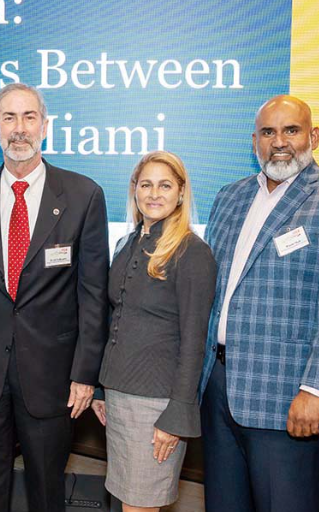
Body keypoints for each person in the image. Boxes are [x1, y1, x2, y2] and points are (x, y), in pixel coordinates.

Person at [198, 95, 319, 512]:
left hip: (290, 397)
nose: (279, 141)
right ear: (254, 142)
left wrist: (317, 390)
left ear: (313, 136)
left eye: (291, 130)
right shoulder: (229, 197)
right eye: (268, 132)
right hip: (219, 389)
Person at [0, 83, 110, 512]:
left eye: (28, 117)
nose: (19, 128)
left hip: (52, 375)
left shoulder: (83, 195)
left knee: (46, 490)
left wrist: (85, 374)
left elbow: (93, 294)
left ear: (45, 125)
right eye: (9, 118)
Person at [90, 151, 217, 512]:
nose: (154, 194)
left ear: (181, 192)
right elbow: (116, 319)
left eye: (165, 185)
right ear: (135, 190)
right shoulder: (128, 243)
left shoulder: (192, 252)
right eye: (146, 185)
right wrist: (101, 387)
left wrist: (176, 416)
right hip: (119, 397)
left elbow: (194, 342)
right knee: (127, 502)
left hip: (157, 405)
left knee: (140, 506)